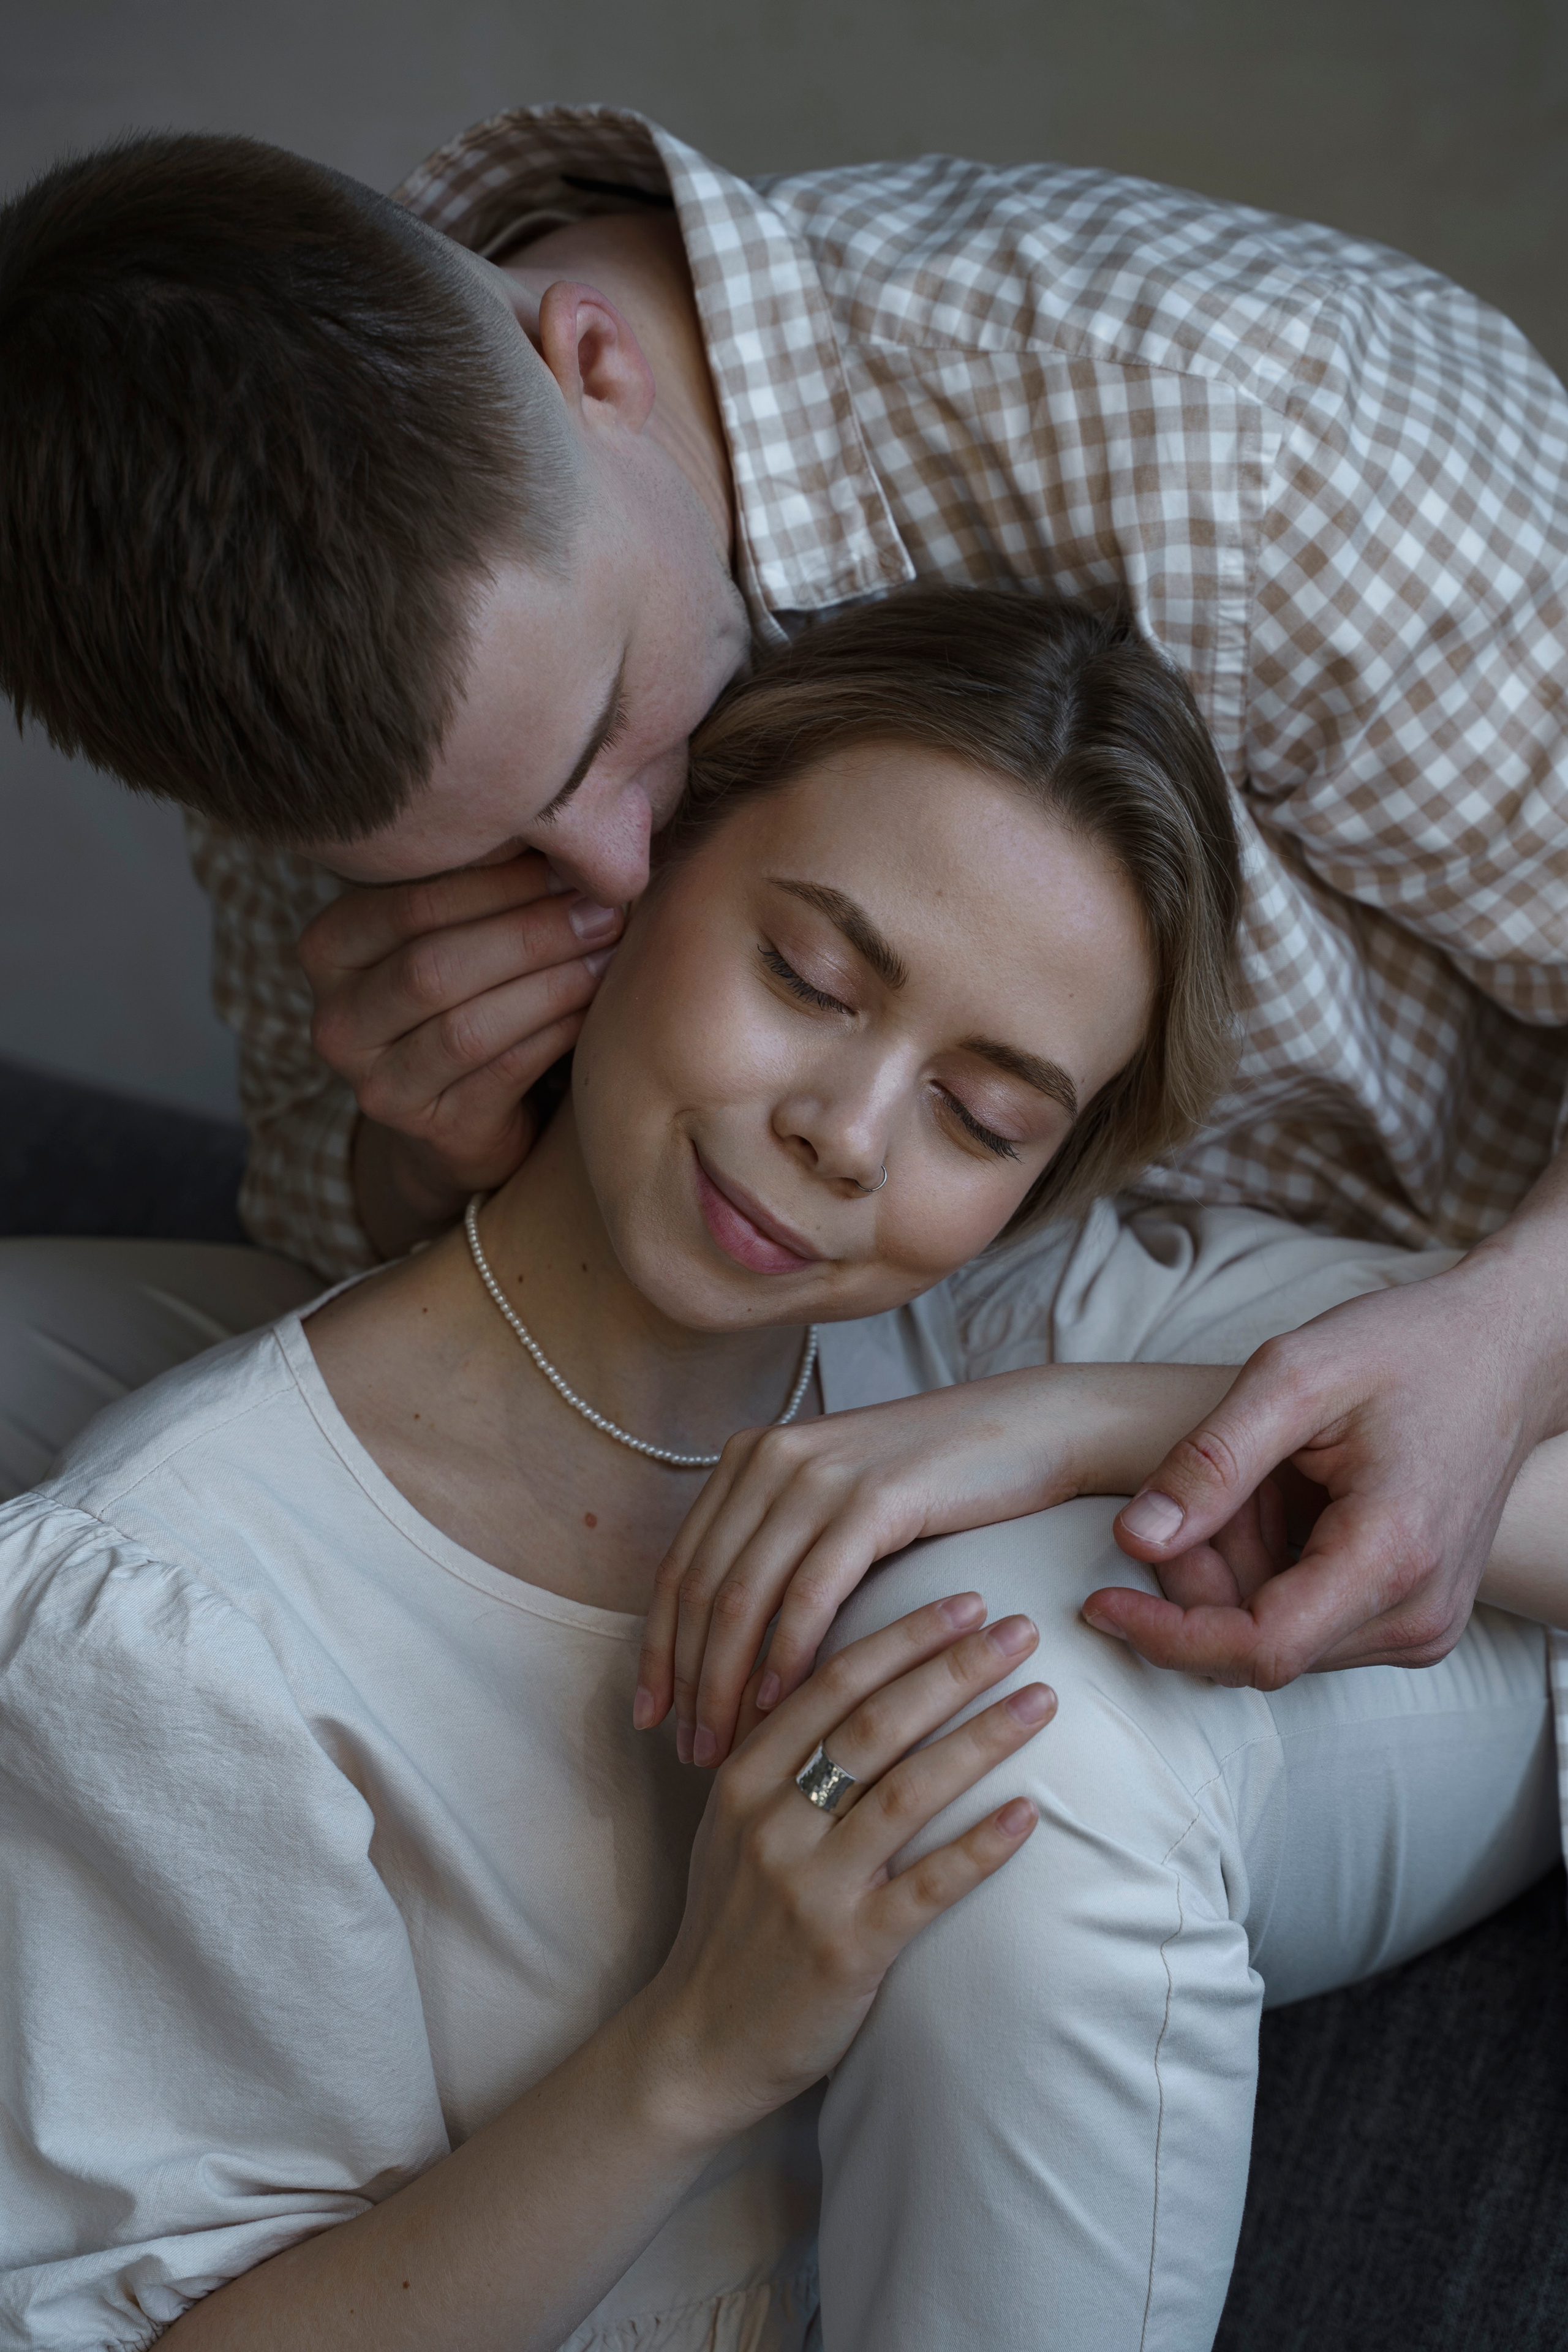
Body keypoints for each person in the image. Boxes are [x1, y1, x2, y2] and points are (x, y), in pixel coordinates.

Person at [1, 589, 1563, 2352]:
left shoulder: (997, 1332)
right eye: (809, 977)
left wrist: (1087, 1421)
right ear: (629, 881)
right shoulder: (170, 1625)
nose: (846, 1131)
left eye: (982, 1119)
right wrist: (699, 2047)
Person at [2, 111, 1568, 1700]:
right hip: (903, 1366)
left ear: (596, 366)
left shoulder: (1242, 421)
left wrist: (1505, 1351)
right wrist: (428, 1149)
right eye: (482, 848)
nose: (611, 865)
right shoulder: (293, 680)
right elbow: (324, 1210)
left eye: (610, 718)